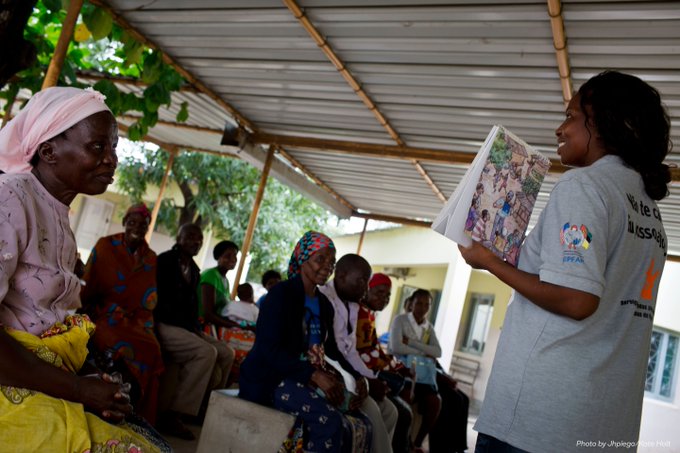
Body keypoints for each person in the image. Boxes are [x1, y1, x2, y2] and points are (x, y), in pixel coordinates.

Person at [458, 70, 670, 452]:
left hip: (540, 424)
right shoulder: (647, 209)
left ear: (605, 123)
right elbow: (581, 276)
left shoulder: (584, 186)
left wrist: (488, 261)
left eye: (571, 116)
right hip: (604, 423)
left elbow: (577, 299)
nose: (559, 129)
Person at [0, 86, 168, 451]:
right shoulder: (10, 198)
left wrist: (92, 378)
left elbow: (50, 317)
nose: (112, 159)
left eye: (114, 148)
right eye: (98, 147)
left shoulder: (57, 215)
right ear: (48, 151)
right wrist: (78, 389)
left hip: (43, 374)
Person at [240, 231, 372, 453]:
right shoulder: (281, 295)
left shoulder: (324, 304)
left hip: (304, 377)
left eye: (331, 262)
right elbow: (268, 349)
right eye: (320, 259)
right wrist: (314, 375)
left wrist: (358, 377)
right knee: (330, 421)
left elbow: (332, 350)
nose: (327, 266)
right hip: (271, 378)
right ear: (302, 259)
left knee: (362, 422)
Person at [80, 203, 164, 425]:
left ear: (147, 228)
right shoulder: (105, 245)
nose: (136, 228)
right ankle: (116, 399)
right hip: (104, 313)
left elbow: (148, 296)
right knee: (113, 339)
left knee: (153, 349)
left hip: (136, 319)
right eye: (132, 222)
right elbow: (88, 282)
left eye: (142, 225)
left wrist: (137, 316)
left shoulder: (150, 258)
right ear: (125, 222)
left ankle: (139, 412)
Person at [155, 224, 235, 440]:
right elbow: (158, 301)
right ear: (178, 237)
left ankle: (201, 408)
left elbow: (191, 309)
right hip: (165, 324)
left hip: (187, 327)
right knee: (206, 352)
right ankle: (174, 414)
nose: (196, 241)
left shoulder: (194, 270)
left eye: (199, 238)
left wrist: (195, 329)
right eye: (190, 236)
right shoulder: (164, 262)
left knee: (227, 353)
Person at [319, 254, 399, 453]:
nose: (366, 288)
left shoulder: (352, 305)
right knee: (371, 408)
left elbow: (351, 352)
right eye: (362, 281)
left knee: (390, 411)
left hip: (347, 371)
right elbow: (330, 352)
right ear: (341, 275)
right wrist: (360, 379)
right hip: (328, 372)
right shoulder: (324, 299)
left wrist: (370, 379)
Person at [357, 273, 414, 453]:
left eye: (388, 295)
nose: (385, 298)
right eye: (379, 292)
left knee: (404, 400)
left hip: (372, 371)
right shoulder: (360, 312)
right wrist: (393, 366)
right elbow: (366, 354)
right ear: (367, 290)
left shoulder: (369, 314)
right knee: (402, 412)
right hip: (366, 374)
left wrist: (396, 366)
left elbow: (374, 349)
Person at [389, 289, 442, 452]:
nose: (423, 308)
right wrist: (425, 352)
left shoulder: (428, 327)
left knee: (435, 401)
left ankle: (416, 444)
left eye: (427, 304)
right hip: (402, 371)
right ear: (411, 303)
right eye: (419, 303)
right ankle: (401, 444)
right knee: (406, 398)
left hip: (423, 376)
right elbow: (396, 347)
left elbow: (438, 352)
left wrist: (412, 343)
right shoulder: (400, 320)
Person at [198, 240, 253, 385]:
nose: (232, 259)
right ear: (218, 257)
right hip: (203, 325)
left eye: (234, 256)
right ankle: (219, 388)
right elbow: (208, 313)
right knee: (245, 345)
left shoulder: (225, 280)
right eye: (227, 256)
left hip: (216, 326)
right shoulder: (210, 275)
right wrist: (235, 325)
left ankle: (221, 387)